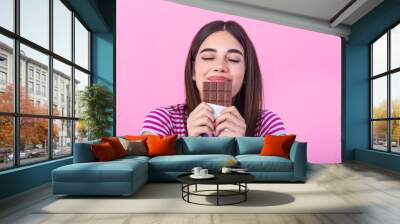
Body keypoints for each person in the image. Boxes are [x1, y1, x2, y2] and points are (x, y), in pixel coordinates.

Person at [141, 20, 285, 137]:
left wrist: (241, 147)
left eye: (234, 59)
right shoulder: (163, 120)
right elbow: (144, 170)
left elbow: (284, 171)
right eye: (208, 57)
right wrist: (189, 146)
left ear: (247, 73)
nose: (220, 66)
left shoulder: (267, 124)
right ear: (192, 70)